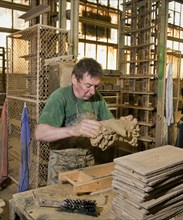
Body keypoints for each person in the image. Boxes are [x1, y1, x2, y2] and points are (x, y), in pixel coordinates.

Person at [35, 57, 122, 185]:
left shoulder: (97, 98)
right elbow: (40, 133)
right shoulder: (60, 97)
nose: (92, 91)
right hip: (61, 165)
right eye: (88, 86)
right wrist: (72, 130)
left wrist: (121, 124)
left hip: (88, 161)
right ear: (74, 79)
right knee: (61, 202)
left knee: (86, 201)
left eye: (96, 86)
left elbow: (109, 123)